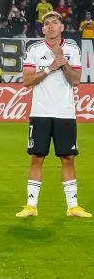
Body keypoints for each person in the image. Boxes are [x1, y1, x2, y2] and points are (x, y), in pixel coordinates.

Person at [16, 12, 91, 218]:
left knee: (68, 158)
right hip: (40, 112)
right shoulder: (34, 49)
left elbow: (76, 80)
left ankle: (73, 206)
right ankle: (31, 206)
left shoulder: (72, 48)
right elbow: (26, 81)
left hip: (65, 113)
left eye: (55, 23)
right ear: (43, 29)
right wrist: (50, 68)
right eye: (47, 23)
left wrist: (62, 61)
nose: (50, 26)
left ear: (61, 27)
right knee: (37, 157)